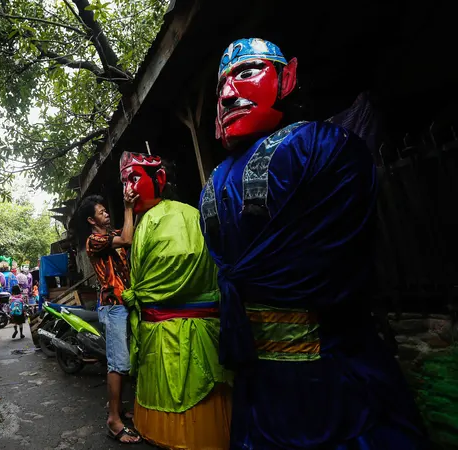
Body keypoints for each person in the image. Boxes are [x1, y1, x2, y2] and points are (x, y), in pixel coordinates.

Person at [201, 38, 428, 449]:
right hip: (295, 380)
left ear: (286, 77)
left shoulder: (319, 146)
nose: (228, 93)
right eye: (221, 87)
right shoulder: (320, 146)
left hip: (322, 377)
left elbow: (334, 261)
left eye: (246, 72)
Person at [118, 152, 231, 449]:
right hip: (184, 329)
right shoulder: (180, 215)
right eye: (124, 182)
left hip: (173, 327)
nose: (128, 189)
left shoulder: (172, 218)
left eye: (134, 178)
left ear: (160, 180)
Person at [74, 191, 141, 444]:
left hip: (124, 303)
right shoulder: (95, 241)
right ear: (92, 221)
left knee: (125, 362)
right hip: (112, 306)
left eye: (105, 210)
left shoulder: (109, 236)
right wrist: (127, 207)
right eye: (101, 212)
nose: (106, 214)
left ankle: (120, 411)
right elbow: (127, 238)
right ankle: (113, 420)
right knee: (118, 363)